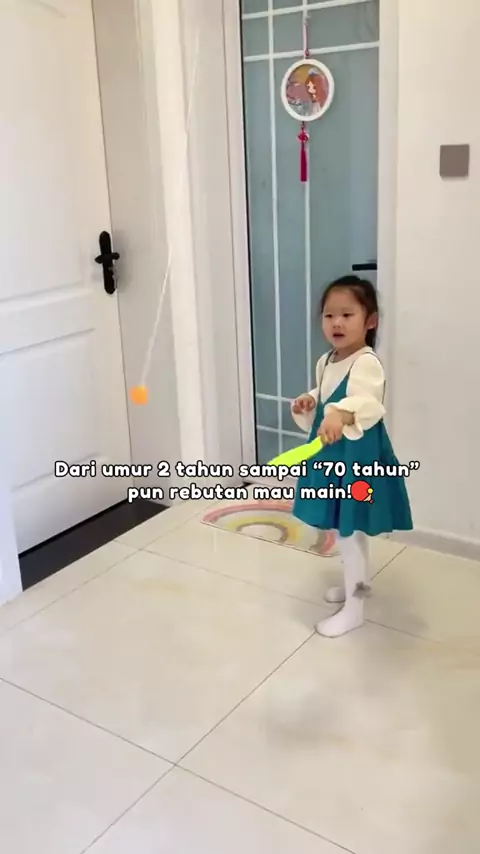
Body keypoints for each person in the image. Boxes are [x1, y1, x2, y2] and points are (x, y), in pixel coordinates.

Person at [291, 275, 413, 638]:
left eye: (347, 314)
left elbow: (367, 403)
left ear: (370, 321)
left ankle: (355, 608)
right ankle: (356, 585)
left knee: (349, 530)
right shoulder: (328, 360)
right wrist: (311, 400)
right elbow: (327, 390)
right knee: (346, 528)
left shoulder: (367, 362)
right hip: (334, 453)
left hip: (357, 458)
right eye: (329, 315)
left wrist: (340, 414)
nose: (337, 323)